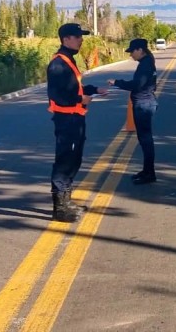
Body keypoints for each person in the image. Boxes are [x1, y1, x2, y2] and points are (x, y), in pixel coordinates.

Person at [47, 23, 107, 222]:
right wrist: (80, 100)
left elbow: (74, 87)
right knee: (65, 160)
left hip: (76, 118)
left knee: (74, 159)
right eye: (77, 36)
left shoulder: (68, 60)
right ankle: (60, 208)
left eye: (81, 36)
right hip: (66, 120)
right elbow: (59, 95)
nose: (81, 40)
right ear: (66, 39)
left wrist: (93, 90)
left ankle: (67, 200)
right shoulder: (58, 63)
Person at [108, 38, 158, 184]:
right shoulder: (147, 62)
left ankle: (150, 174)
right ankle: (147, 171)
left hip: (143, 104)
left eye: (132, 52)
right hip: (145, 102)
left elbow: (137, 84)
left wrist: (117, 83)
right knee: (144, 140)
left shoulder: (146, 65)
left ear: (140, 50)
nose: (131, 55)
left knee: (146, 140)